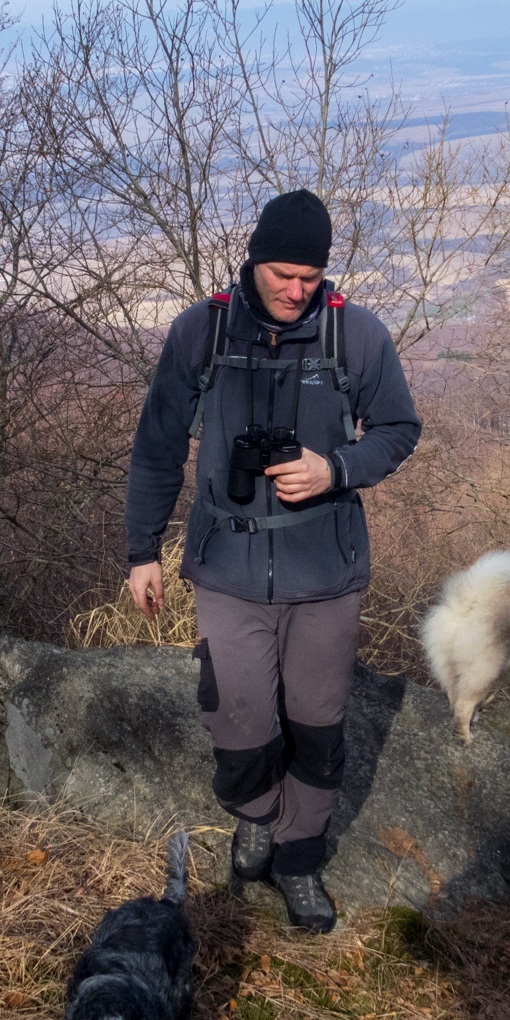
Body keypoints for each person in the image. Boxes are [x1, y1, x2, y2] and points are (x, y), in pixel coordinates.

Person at [124, 189, 421, 933]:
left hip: (325, 571)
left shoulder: (354, 336)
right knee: (241, 717)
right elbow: (157, 445)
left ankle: (298, 858)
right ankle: (254, 818)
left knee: (317, 723)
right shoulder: (202, 332)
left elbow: (398, 428)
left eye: (310, 278)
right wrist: (142, 551)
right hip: (227, 566)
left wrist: (337, 470)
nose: (296, 291)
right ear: (254, 260)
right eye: (283, 274)